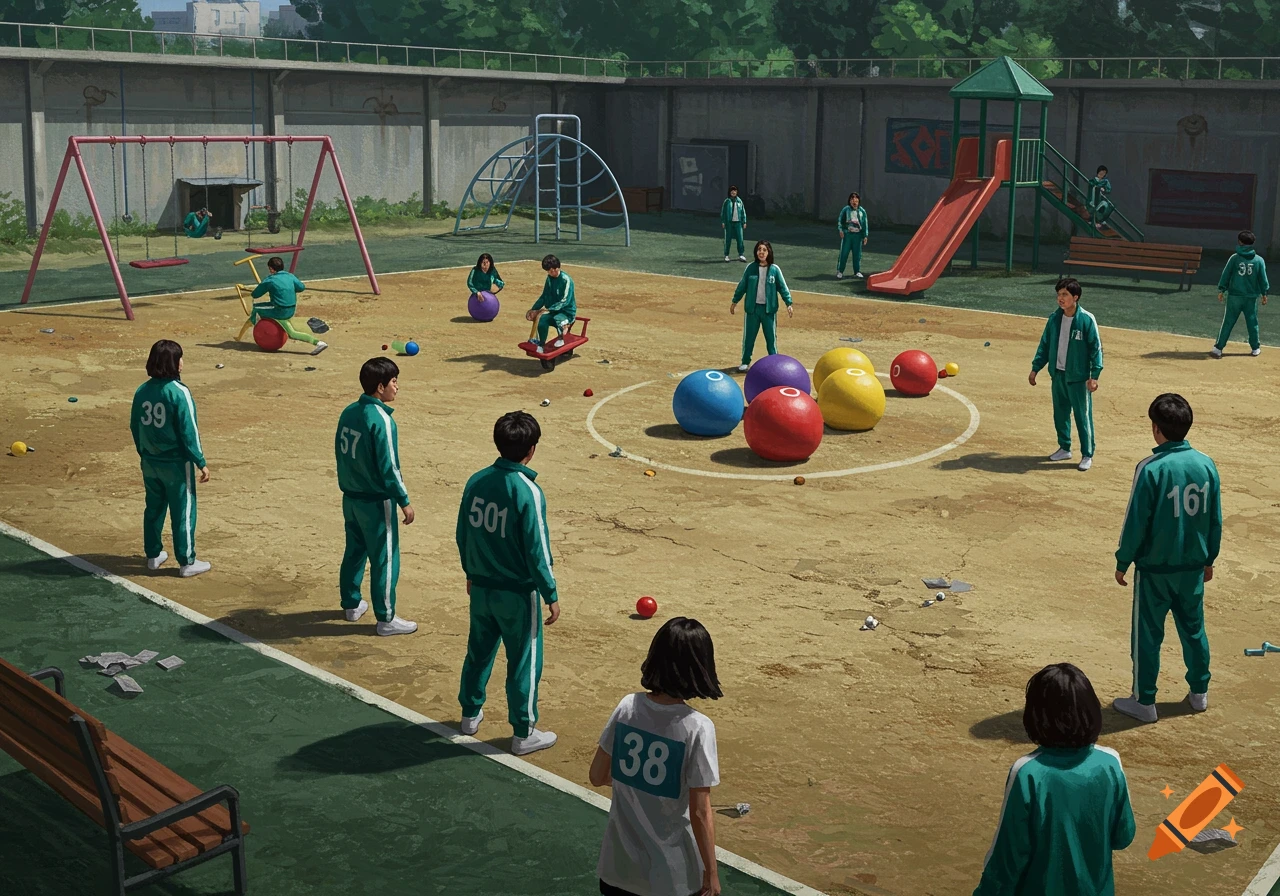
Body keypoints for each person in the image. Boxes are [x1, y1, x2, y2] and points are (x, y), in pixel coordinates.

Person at [973, 663, 1135, 896]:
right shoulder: (1111, 763)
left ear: (1035, 716)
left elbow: (1007, 858)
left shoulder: (1028, 772)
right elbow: (1123, 836)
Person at [590, 617, 723, 896]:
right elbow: (700, 812)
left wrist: (638, 784)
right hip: (671, 879)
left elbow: (597, 775)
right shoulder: (698, 727)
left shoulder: (627, 706)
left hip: (617, 870)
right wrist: (711, 874)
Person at [1113, 393, 1221, 724]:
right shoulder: (1206, 464)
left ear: (1156, 429)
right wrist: (1209, 558)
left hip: (1155, 570)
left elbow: (1136, 521)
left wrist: (1123, 560)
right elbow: (1214, 518)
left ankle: (1145, 701)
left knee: (1147, 634)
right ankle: (1199, 694)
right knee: (1194, 630)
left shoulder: (1150, 469)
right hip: (1191, 567)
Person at [457, 411, 560, 756]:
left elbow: (463, 534)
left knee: (478, 652)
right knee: (524, 661)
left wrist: (470, 573)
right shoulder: (528, 491)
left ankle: (469, 715)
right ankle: (523, 732)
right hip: (517, 593)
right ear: (531, 449)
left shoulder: (476, 481)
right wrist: (551, 593)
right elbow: (538, 550)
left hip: (482, 588)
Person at [335, 357, 417, 637]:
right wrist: (403, 500)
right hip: (375, 502)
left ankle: (351, 603)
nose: (397, 388)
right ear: (380, 387)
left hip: (351, 498)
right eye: (394, 382)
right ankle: (386, 618)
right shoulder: (382, 420)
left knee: (354, 551)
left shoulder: (348, 412)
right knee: (384, 557)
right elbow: (389, 467)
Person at [129, 339, 211, 578]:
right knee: (183, 510)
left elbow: (135, 425)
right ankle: (187, 562)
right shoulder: (179, 392)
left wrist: (144, 452)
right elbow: (189, 431)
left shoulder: (142, 390)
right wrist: (200, 461)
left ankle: (153, 556)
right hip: (175, 464)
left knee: (153, 508)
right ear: (175, 363)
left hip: (149, 461)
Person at [1029, 278, 1103, 471]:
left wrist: (1094, 375)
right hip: (1058, 376)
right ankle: (1065, 447)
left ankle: (1087, 454)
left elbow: (1096, 348)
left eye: (1065, 295)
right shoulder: (1054, 319)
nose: (1060, 298)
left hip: (1078, 379)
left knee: (1082, 417)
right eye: (1059, 294)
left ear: (1075, 297)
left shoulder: (1087, 319)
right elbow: (1044, 345)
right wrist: (1036, 367)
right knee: (1060, 414)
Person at [730, 240, 793, 372]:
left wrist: (788, 303)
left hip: (768, 310)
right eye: (759, 249)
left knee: (771, 339)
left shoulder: (775, 270)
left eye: (764, 250)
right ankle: (745, 362)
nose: (761, 252)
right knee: (749, 338)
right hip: (752, 309)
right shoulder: (750, 268)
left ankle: (775, 363)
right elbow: (742, 285)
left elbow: (783, 288)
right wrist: (735, 300)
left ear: (769, 252)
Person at [251, 256, 328, 355]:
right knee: (291, 332)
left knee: (256, 308)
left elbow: (255, 294)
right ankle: (319, 343)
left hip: (279, 310)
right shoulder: (290, 276)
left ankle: (257, 327)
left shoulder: (270, 280)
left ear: (271, 269)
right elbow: (301, 287)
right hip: (291, 309)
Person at [1211, 229, 1269, 358]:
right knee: (1252, 322)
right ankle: (1255, 348)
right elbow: (1262, 279)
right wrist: (1264, 294)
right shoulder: (1259, 260)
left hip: (1235, 296)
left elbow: (1226, 274)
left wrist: (1222, 289)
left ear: (1239, 242)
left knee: (1228, 322)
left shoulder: (1234, 258)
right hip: (1251, 297)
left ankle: (1218, 348)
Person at [525, 254, 576, 353]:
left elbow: (565, 301)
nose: (549, 273)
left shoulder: (566, 280)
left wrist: (548, 309)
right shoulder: (549, 279)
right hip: (553, 311)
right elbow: (544, 296)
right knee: (542, 319)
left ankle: (562, 337)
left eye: (551, 270)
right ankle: (541, 344)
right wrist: (534, 309)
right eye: (548, 271)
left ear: (557, 268)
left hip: (566, 313)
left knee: (559, 319)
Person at [836, 191, 869, 280]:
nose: (854, 202)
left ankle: (857, 271)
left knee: (857, 254)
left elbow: (865, 224)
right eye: (852, 200)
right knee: (844, 253)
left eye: (856, 200)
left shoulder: (862, 211)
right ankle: (840, 271)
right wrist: (841, 230)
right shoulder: (846, 210)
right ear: (850, 201)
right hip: (848, 235)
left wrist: (865, 235)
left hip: (857, 236)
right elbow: (840, 220)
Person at [720, 185, 747, 263]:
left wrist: (744, 221)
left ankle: (741, 254)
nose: (733, 192)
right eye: (732, 191)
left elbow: (743, 212)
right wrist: (723, 221)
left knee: (740, 239)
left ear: (737, 192)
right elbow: (723, 212)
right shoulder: (727, 201)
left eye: (734, 191)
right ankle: (726, 255)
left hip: (738, 223)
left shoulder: (739, 201)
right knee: (728, 239)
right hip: (729, 223)